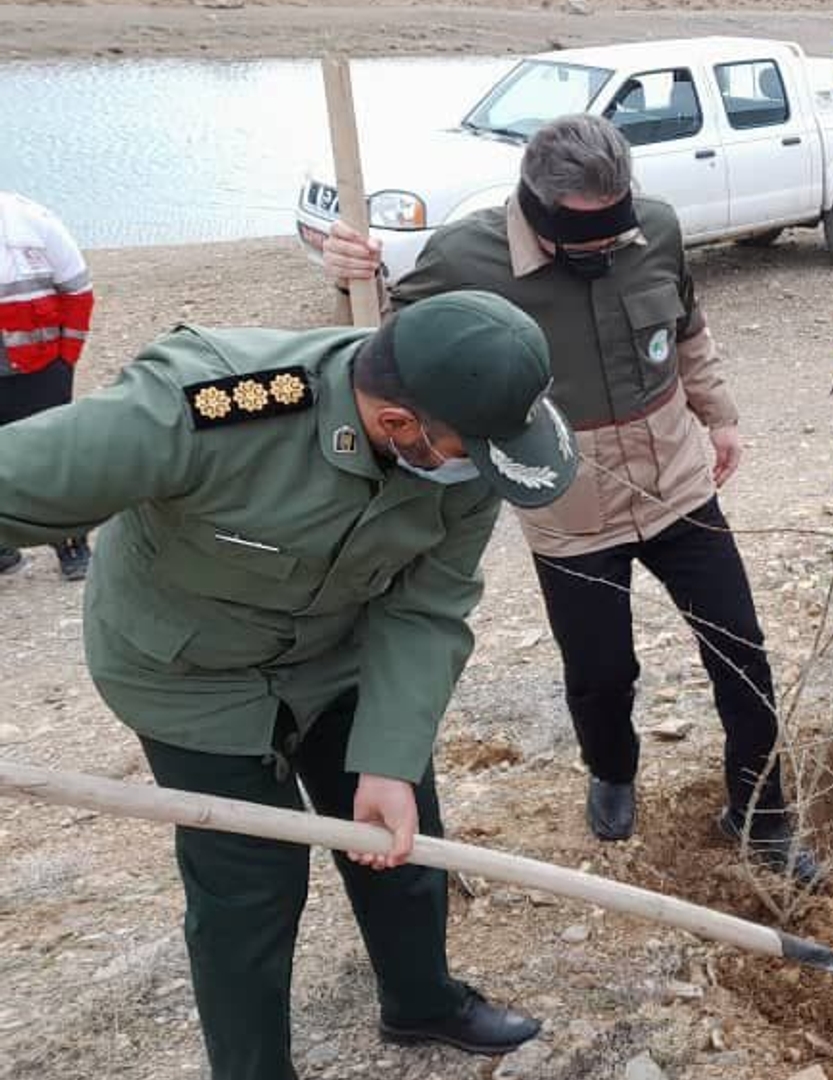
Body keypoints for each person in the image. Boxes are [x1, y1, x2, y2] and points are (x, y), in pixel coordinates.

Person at [0, 289, 572, 1079]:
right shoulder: (210, 406)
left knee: (401, 839)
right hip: (190, 677)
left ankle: (421, 1002)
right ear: (400, 425)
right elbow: (13, 483)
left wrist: (390, 759)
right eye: (466, 452)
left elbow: (430, 604)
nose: (476, 471)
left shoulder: (468, 453)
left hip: (339, 653)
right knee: (250, 887)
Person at [322, 115, 820, 885]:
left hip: (676, 484)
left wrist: (718, 417)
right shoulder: (464, 255)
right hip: (569, 508)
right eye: (583, 234)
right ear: (538, 203)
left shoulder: (653, 229)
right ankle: (612, 772)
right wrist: (352, 273)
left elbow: (688, 331)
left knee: (741, 651)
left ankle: (762, 815)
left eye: (614, 226)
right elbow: (387, 356)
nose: (604, 246)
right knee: (600, 672)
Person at [0, 191, 96, 582]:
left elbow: (78, 290)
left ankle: (71, 544)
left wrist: (66, 359)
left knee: (52, 460)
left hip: (39, 368)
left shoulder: (34, 222)